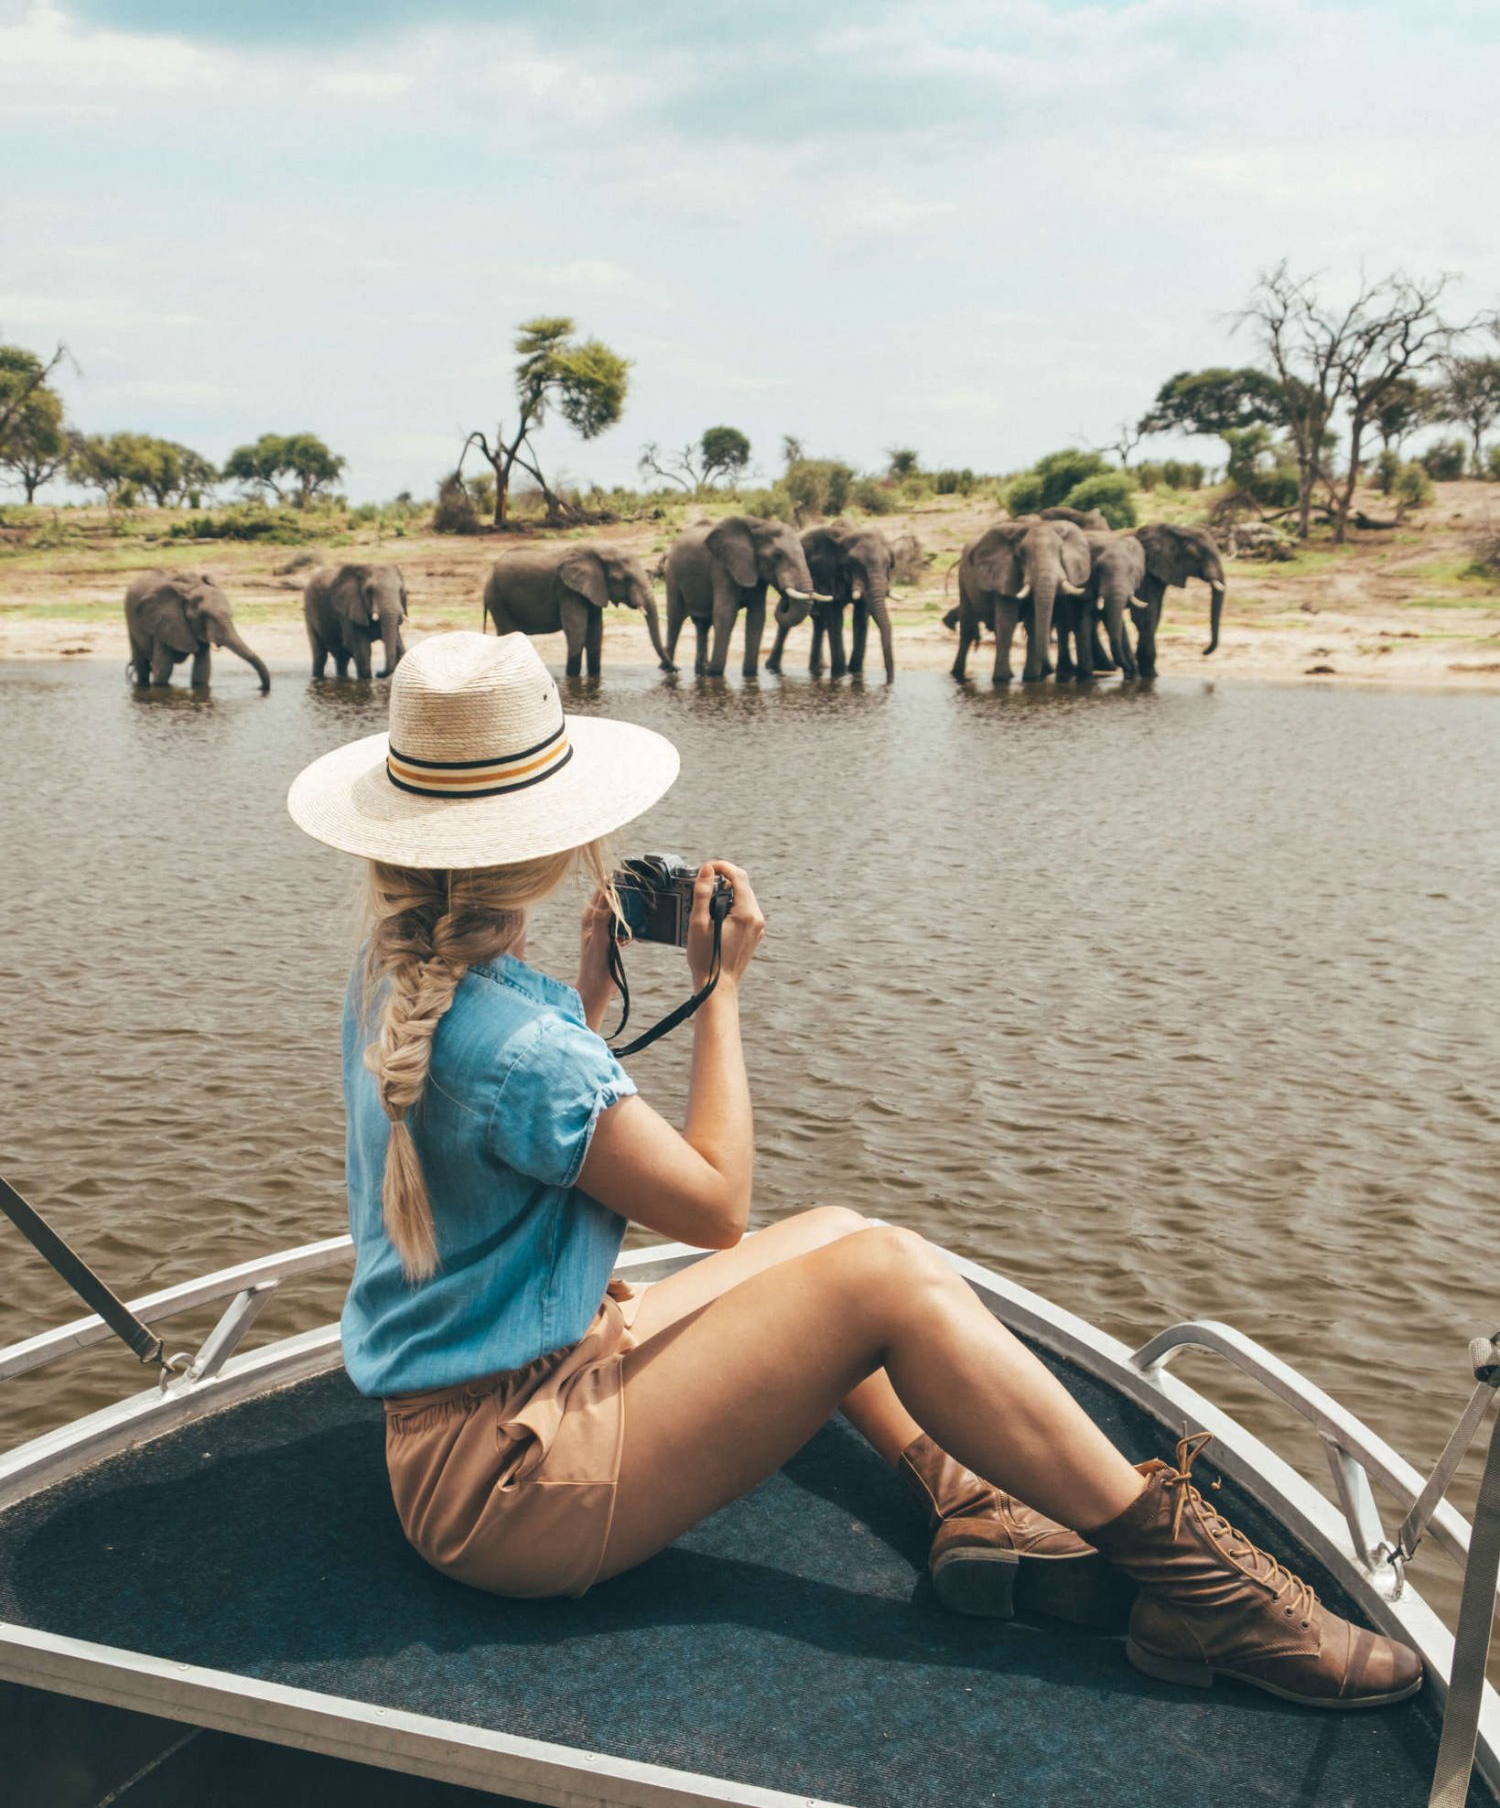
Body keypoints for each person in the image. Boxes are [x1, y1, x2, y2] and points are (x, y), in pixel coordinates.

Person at [287, 629, 1419, 1710]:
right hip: (511, 1488)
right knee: (880, 1277)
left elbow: (512, 1132)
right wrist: (721, 993)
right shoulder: (519, 1044)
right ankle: (1209, 1599)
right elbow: (718, 1204)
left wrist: (589, 992)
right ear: (550, 838)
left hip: (467, 1437)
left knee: (835, 1228)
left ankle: (968, 1494)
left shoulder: (397, 981)